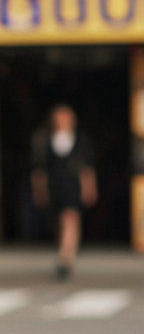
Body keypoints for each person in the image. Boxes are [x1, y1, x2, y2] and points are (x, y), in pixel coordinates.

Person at [31, 104, 96, 279]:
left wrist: (89, 187)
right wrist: (39, 190)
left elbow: (86, 168)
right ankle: (64, 250)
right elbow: (39, 169)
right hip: (54, 187)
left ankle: (66, 258)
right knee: (58, 222)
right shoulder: (45, 140)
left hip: (72, 186)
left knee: (70, 219)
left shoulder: (80, 139)